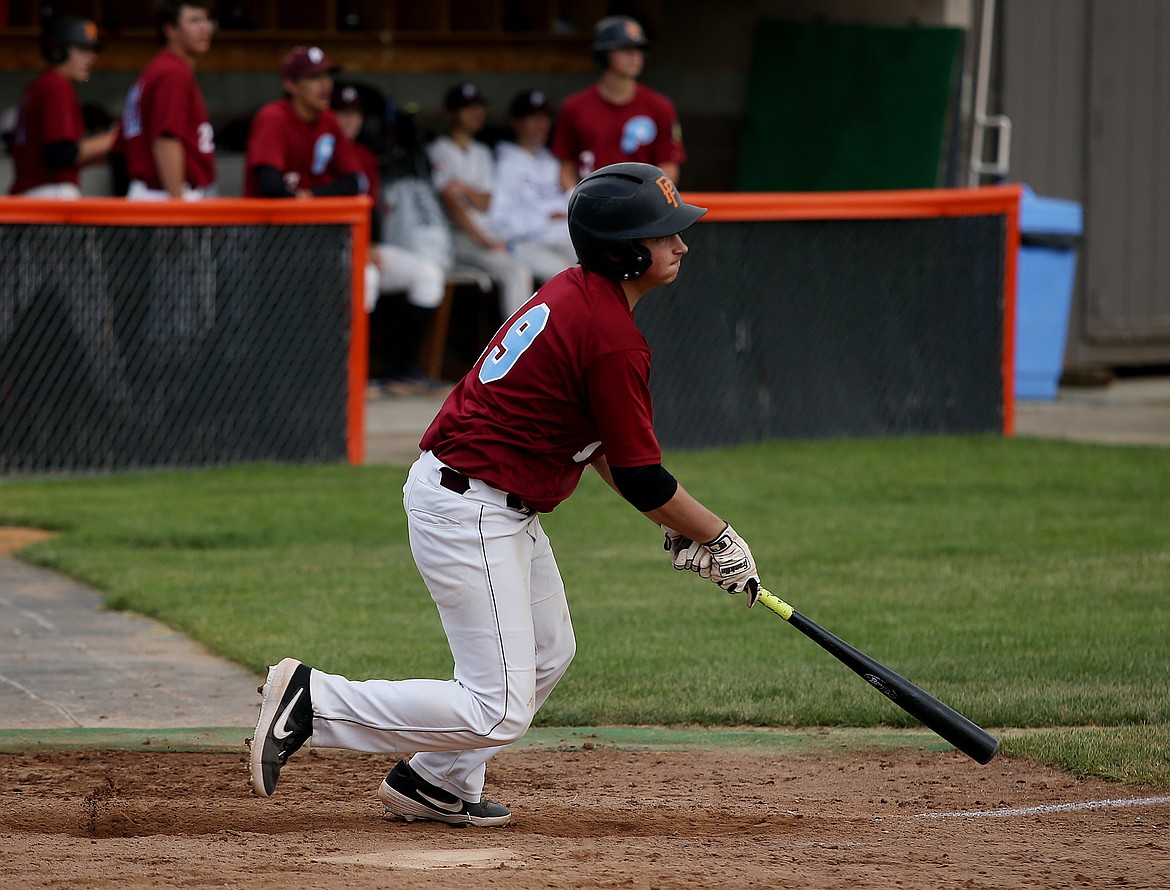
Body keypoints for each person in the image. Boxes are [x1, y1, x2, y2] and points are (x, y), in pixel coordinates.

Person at [249, 162, 764, 828]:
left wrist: (679, 526)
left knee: (551, 652)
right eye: (664, 233)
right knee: (496, 707)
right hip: (471, 506)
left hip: (488, 501)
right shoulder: (610, 336)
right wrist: (716, 534)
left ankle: (435, 781)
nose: (681, 244)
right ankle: (313, 702)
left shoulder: (583, 295)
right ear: (624, 250)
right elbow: (642, 476)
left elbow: (602, 446)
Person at [333, 84, 447, 393]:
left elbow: (373, 212)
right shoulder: (324, 148)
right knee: (366, 280)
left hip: (364, 245)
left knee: (427, 274)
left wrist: (371, 244)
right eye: (342, 113)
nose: (350, 120)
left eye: (355, 114)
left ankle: (402, 370)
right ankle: (356, 373)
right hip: (331, 248)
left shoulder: (366, 156)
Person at [426, 82, 535, 320]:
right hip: (458, 239)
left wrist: (463, 187)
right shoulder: (437, 150)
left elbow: (485, 202)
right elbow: (453, 205)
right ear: (450, 113)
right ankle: (517, 350)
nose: (477, 113)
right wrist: (483, 240)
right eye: (467, 107)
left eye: (479, 106)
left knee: (544, 264)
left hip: (488, 235)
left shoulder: (482, 152)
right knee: (517, 272)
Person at [551, 15, 686, 192]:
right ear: (603, 53)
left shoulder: (660, 106)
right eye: (625, 48)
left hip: (641, 206)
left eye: (639, 49)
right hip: (592, 202)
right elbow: (565, 168)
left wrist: (648, 199)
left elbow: (669, 166)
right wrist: (574, 197)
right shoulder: (574, 107)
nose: (635, 56)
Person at [9, 16, 118, 198]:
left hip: (32, 193)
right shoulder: (56, 86)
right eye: (83, 49)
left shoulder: (41, 84)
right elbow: (61, 154)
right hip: (49, 193)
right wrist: (116, 138)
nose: (91, 58)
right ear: (58, 51)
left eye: (92, 50)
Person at [120, 0, 216, 200]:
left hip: (152, 192)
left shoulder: (157, 69)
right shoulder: (172, 72)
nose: (205, 27)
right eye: (194, 20)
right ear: (170, 30)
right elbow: (166, 139)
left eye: (206, 19)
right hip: (164, 193)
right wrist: (177, 203)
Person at [243, 46, 366, 199]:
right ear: (291, 85)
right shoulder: (273, 118)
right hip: (271, 219)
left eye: (327, 76)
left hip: (314, 218)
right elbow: (270, 185)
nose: (326, 85)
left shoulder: (329, 119)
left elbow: (354, 182)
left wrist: (308, 196)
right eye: (314, 77)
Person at [488, 88, 578, 284]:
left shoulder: (553, 162)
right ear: (516, 122)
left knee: (599, 270)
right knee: (567, 277)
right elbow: (498, 221)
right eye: (534, 118)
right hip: (526, 243)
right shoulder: (504, 165)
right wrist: (544, 219)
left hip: (564, 239)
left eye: (545, 118)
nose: (542, 124)